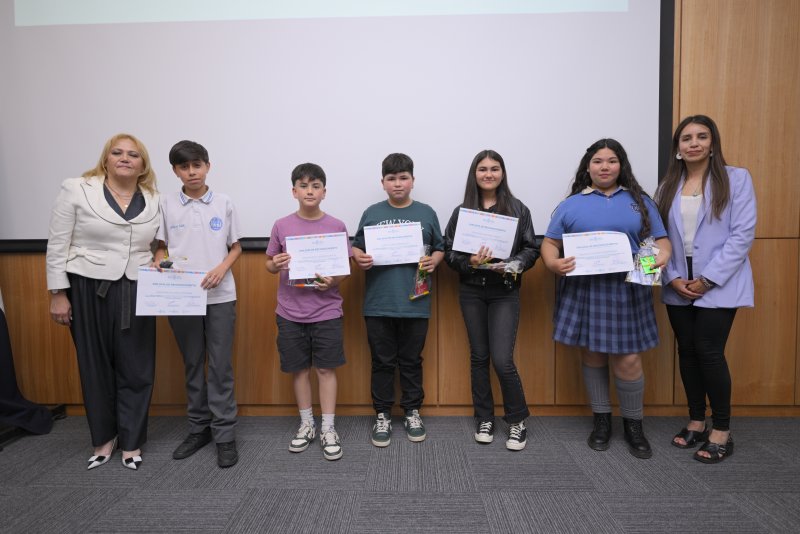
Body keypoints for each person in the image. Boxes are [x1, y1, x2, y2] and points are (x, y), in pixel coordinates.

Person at [541, 138, 671, 459]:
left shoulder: (640, 201)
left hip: (627, 288)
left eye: (611, 161)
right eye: (598, 161)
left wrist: (660, 259)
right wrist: (553, 264)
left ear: (621, 166)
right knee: (593, 355)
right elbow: (550, 244)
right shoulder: (571, 204)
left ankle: (633, 425)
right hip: (584, 288)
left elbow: (662, 242)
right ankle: (601, 421)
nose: (604, 167)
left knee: (628, 359)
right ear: (588, 167)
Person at [46, 133, 160, 470]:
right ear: (106, 159)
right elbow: (58, 242)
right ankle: (103, 438)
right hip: (87, 286)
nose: (125, 158)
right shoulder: (77, 189)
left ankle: (132, 441)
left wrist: (161, 259)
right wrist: (58, 293)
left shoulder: (155, 198)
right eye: (117, 152)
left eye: (133, 154)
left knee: (137, 367)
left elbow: (158, 244)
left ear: (143, 165)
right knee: (94, 366)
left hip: (138, 288)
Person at [656, 115, 756, 464]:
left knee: (709, 351)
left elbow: (742, 235)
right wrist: (671, 278)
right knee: (687, 351)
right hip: (678, 282)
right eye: (686, 138)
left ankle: (722, 430)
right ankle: (697, 421)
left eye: (701, 136)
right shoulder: (667, 186)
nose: (694, 143)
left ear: (713, 144)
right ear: (678, 148)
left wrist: (708, 280)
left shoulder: (736, 179)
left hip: (719, 282)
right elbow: (656, 237)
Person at [153, 140, 242, 468]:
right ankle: (198, 429)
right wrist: (159, 259)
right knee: (192, 363)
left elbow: (236, 246)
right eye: (184, 167)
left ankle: (225, 434)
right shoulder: (165, 203)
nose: (192, 172)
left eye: (197, 165)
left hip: (220, 296)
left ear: (207, 166)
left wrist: (221, 268)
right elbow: (160, 246)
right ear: (175, 171)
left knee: (219, 366)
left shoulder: (223, 202)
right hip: (181, 296)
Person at [443, 150, 539, 450]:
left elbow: (531, 249)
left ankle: (517, 420)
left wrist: (512, 263)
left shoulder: (518, 209)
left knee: (502, 359)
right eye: (482, 169)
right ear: (474, 174)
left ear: (502, 173)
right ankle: (484, 417)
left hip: (504, 291)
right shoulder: (462, 212)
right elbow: (449, 252)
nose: (488, 174)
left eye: (494, 169)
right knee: (479, 357)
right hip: (471, 290)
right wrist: (469, 261)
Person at [352, 153, 444, 447]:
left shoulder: (426, 213)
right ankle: (382, 414)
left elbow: (440, 247)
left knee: (411, 361)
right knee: (381, 362)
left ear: (413, 180)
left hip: (415, 303)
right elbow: (356, 247)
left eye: (403, 177)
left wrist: (435, 261)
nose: (398, 183)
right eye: (391, 178)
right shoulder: (372, 212)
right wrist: (359, 257)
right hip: (379, 302)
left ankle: (412, 411)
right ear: (383, 182)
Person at [266, 163, 351, 461]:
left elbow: (344, 268)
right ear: (294, 192)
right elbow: (269, 263)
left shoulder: (337, 225)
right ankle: (307, 424)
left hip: (327, 310)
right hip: (290, 311)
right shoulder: (281, 225)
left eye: (315, 186)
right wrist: (275, 264)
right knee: (299, 370)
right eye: (303, 186)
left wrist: (333, 281)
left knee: (326, 369)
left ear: (324, 192)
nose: (310, 191)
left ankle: (328, 427)